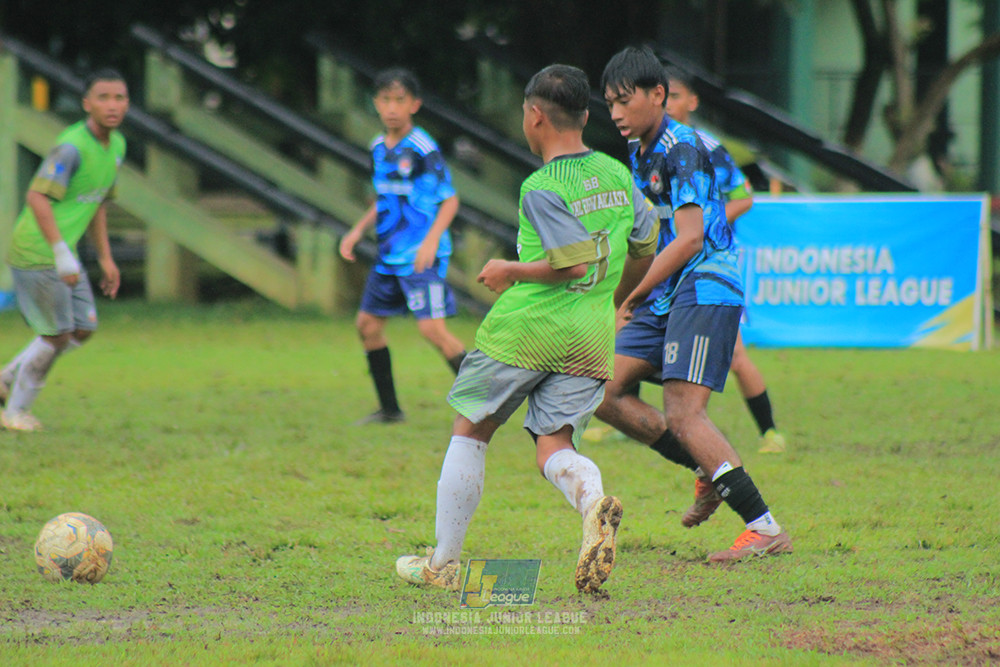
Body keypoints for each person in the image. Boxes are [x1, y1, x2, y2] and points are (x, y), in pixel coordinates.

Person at [395, 64, 659, 594]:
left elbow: (571, 263)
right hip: (588, 335)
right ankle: (591, 499)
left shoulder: (542, 185)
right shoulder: (616, 173)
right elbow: (645, 244)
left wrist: (510, 270)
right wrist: (617, 297)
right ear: (585, 116)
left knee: (471, 428)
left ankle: (442, 564)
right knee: (554, 445)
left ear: (534, 116)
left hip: (527, 329)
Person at [598, 45, 791, 562]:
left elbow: (687, 239)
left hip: (705, 282)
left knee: (684, 412)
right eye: (608, 103)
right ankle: (707, 468)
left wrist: (633, 293)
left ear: (658, 95)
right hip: (668, 291)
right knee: (604, 389)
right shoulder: (638, 153)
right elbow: (649, 242)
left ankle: (764, 527)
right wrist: (619, 297)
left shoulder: (685, 148)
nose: (615, 113)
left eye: (623, 100)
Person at [663, 66, 787, 455]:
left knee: (734, 354)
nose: (668, 103)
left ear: (693, 102)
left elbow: (744, 196)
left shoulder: (708, 147)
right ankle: (621, 409)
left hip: (705, 267)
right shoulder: (650, 149)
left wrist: (709, 220)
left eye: (676, 95)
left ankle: (769, 432)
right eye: (663, 96)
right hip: (663, 264)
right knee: (638, 334)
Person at [0, 69, 127, 432]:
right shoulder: (72, 146)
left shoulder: (116, 146)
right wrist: (61, 251)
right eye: (103, 97)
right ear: (87, 104)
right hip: (38, 250)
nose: (112, 105)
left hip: (62, 251)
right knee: (56, 335)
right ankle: (15, 412)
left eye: (119, 97)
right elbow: (36, 196)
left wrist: (105, 257)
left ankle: (7, 376)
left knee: (82, 329)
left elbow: (98, 202)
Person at [339, 68, 467, 425]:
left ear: (414, 104)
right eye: (385, 100)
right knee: (367, 325)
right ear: (375, 104)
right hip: (389, 255)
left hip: (421, 254)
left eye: (399, 100)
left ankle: (486, 401)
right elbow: (383, 199)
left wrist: (430, 242)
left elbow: (450, 200)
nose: (392, 108)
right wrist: (356, 231)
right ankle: (390, 410)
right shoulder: (378, 148)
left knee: (432, 331)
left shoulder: (423, 148)